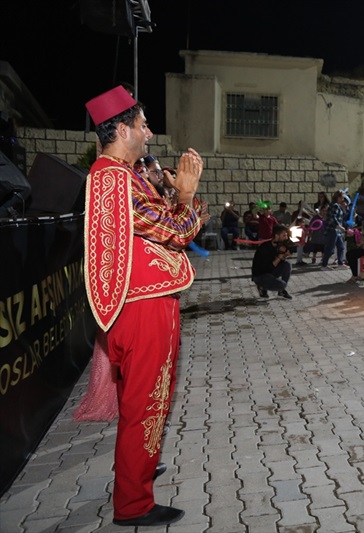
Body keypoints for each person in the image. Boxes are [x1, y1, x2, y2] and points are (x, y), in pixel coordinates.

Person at [84, 86, 203, 526]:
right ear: (121, 128)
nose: (149, 134)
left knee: (146, 402)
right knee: (146, 404)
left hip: (141, 305)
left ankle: (138, 465)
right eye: (143, 125)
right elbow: (176, 232)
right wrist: (186, 196)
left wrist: (175, 199)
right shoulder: (114, 177)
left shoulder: (121, 175)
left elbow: (159, 226)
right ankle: (133, 504)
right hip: (142, 308)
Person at [251, 225, 293, 299]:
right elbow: (268, 268)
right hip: (260, 275)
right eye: (284, 236)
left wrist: (285, 255)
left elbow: (280, 264)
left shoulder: (279, 246)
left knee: (287, 264)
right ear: (276, 236)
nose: (286, 238)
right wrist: (279, 257)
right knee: (282, 285)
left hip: (270, 273)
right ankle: (262, 287)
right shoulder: (264, 248)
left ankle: (281, 291)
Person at [321, 190, 347, 268]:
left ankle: (340, 263)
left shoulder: (337, 205)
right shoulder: (335, 205)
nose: (343, 199)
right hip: (333, 230)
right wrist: (339, 226)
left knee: (341, 247)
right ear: (338, 197)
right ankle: (324, 264)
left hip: (337, 231)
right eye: (342, 197)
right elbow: (332, 217)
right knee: (330, 247)